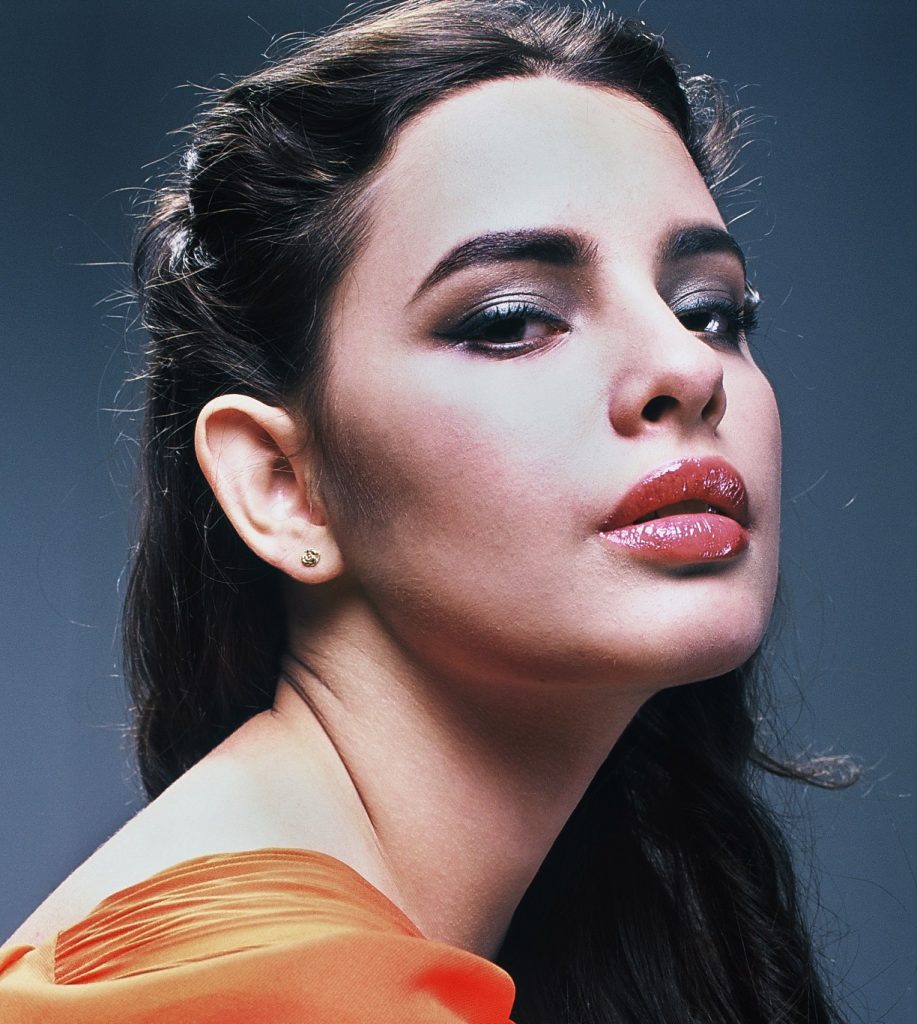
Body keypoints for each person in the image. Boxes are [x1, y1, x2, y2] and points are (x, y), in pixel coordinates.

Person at [0, 1, 851, 1020]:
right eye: (510, 320)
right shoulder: (271, 994)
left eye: (708, 311)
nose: (686, 367)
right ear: (282, 487)